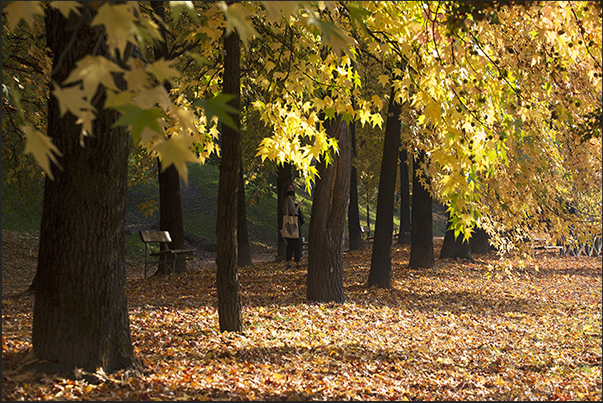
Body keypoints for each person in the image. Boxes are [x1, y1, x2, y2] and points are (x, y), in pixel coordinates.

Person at [283, 182, 303, 270]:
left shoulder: (286, 199)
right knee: (296, 244)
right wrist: (298, 206)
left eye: (292, 188)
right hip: (293, 224)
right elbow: (294, 211)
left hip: (288, 224)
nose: (291, 190)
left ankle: (289, 264)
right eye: (289, 188)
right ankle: (298, 263)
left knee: (289, 244)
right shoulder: (288, 199)